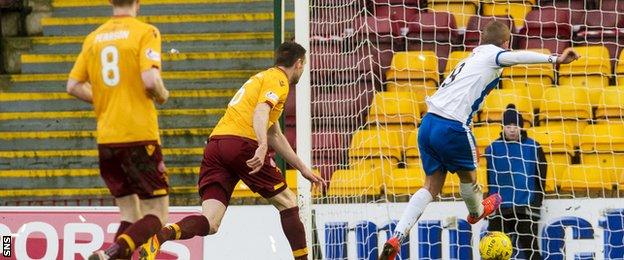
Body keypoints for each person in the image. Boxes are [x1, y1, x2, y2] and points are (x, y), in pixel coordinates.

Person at [379, 21, 579, 259]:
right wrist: (556, 59)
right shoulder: (495, 55)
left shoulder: (469, 59)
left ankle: (397, 236)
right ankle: (476, 211)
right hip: (452, 125)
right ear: (506, 43)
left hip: (428, 123)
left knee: (430, 186)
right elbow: (515, 59)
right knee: (470, 177)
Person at [139, 41, 324, 260]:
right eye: (304, 66)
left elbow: (275, 134)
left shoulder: (259, 79)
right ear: (299, 63)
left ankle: (161, 235)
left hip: (216, 146)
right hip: (242, 144)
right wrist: (261, 145)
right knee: (288, 201)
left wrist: (302, 168)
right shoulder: (279, 80)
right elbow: (261, 111)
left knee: (211, 222)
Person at [66, 0, 170, 259]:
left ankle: (110, 257)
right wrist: (162, 94)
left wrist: (104, 100)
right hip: (138, 134)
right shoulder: (146, 32)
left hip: (107, 139)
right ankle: (110, 254)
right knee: (157, 213)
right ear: (138, 3)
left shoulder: (93, 38)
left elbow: (73, 85)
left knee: (129, 214)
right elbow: (150, 79)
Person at [486, 104, 546, 260]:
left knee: (531, 250)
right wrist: (490, 205)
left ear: (521, 127)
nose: (512, 129)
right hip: (500, 207)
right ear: (503, 127)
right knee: (494, 251)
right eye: (508, 126)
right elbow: (490, 178)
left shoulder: (533, 146)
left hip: (525, 206)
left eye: (515, 126)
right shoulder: (492, 148)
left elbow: (541, 175)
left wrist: (537, 201)